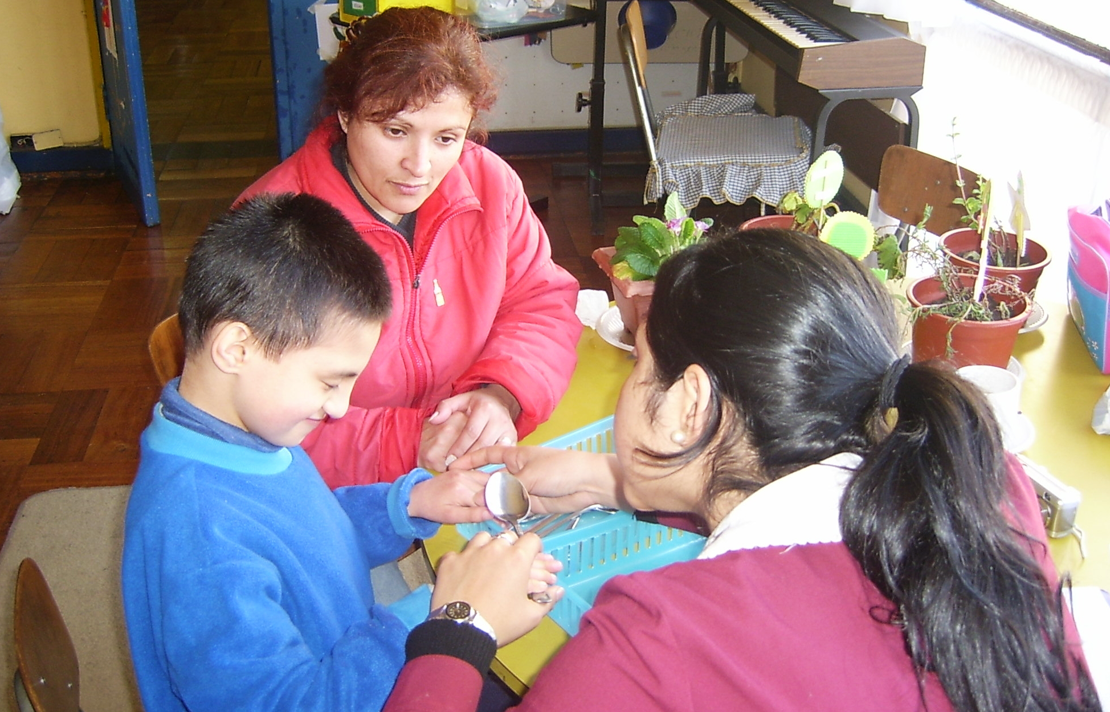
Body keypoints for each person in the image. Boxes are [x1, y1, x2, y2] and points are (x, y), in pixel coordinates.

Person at [382, 228, 1100, 712]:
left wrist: (460, 625)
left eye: (641, 367)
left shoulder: (656, 641)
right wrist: (610, 479)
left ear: (689, 403)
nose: (629, 390)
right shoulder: (982, 478)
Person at [121, 193, 561, 712]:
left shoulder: (244, 433)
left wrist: (407, 505)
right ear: (236, 349)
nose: (340, 408)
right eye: (331, 381)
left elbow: (310, 540)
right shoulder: (196, 539)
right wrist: (445, 615)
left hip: (357, 654)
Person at [237, 7, 582, 487]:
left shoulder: (490, 184)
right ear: (345, 114)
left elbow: (539, 301)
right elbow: (256, 413)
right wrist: (411, 442)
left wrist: (499, 393)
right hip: (336, 488)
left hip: (464, 451)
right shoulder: (274, 227)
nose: (419, 166)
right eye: (395, 130)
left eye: (446, 138)